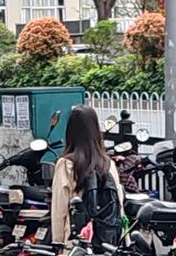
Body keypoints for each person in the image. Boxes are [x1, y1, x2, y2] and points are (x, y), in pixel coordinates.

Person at [50, 105, 126, 247]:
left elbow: (59, 210)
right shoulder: (108, 164)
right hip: (107, 243)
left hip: (77, 243)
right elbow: (118, 204)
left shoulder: (66, 164)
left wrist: (58, 243)